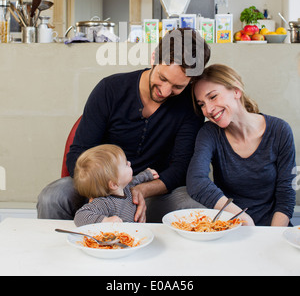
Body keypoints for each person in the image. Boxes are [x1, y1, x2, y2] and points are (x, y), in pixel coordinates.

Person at [37, 28, 211, 222]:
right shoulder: (110, 89)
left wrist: (139, 191)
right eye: (162, 78)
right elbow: (78, 153)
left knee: (193, 207)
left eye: (178, 86)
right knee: (52, 197)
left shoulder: (190, 106)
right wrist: (104, 192)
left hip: (152, 192)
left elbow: (181, 169)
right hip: (100, 187)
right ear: (153, 58)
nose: (165, 91)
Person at [186, 63, 296, 226]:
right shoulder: (209, 133)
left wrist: (270, 236)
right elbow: (196, 181)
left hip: (274, 229)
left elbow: (286, 194)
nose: (208, 109)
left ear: (236, 91)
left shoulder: (280, 130)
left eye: (213, 96)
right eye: (201, 104)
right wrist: (241, 218)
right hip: (233, 226)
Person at [73, 144, 159, 226]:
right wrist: (105, 221)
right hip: (117, 239)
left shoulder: (125, 187)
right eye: (125, 164)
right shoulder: (104, 203)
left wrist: (146, 175)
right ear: (114, 184)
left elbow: (134, 180)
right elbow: (80, 216)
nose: (129, 163)